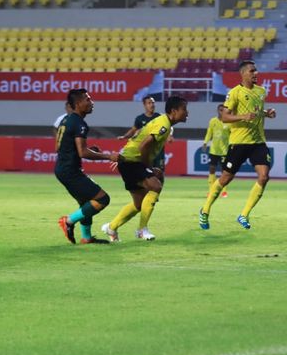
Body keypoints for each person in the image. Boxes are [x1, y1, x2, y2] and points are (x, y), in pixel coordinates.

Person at [199, 60, 276, 230]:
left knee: (264, 176)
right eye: (252, 71)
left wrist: (267, 113)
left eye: (256, 71)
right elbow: (225, 117)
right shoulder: (234, 93)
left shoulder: (261, 91)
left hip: (258, 142)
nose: (256, 73)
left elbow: (256, 112)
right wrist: (243, 117)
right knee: (226, 178)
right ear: (243, 73)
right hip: (239, 142)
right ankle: (205, 210)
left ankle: (244, 215)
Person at [102, 96, 188, 242]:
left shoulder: (164, 122)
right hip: (132, 161)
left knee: (138, 204)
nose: (187, 113)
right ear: (173, 111)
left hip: (128, 159)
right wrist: (149, 167)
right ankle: (142, 230)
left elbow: (140, 139)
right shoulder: (164, 125)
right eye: (184, 109)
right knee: (155, 186)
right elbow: (143, 146)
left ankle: (111, 227)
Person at [56, 88, 119, 244]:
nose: (92, 102)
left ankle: (86, 237)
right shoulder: (79, 123)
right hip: (70, 171)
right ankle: (68, 221)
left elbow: (65, 147)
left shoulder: (67, 119)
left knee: (87, 202)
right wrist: (107, 156)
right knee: (103, 199)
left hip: (63, 169)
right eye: (88, 99)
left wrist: (88, 149)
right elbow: (83, 153)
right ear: (78, 103)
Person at [118, 95, 170, 180]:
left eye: (153, 103)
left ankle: (156, 191)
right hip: (146, 151)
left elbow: (169, 127)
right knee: (146, 174)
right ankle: (148, 191)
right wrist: (125, 136)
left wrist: (170, 135)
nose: (152, 105)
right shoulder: (140, 119)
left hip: (158, 151)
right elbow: (133, 130)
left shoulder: (160, 117)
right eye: (149, 103)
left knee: (160, 174)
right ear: (145, 105)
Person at [202, 104, 230, 198]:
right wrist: (205, 143)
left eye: (223, 110)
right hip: (214, 150)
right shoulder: (213, 121)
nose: (221, 112)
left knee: (225, 172)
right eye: (220, 110)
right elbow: (209, 133)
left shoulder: (229, 122)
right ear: (218, 111)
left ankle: (224, 191)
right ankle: (211, 190)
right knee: (212, 170)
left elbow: (233, 134)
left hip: (224, 151)